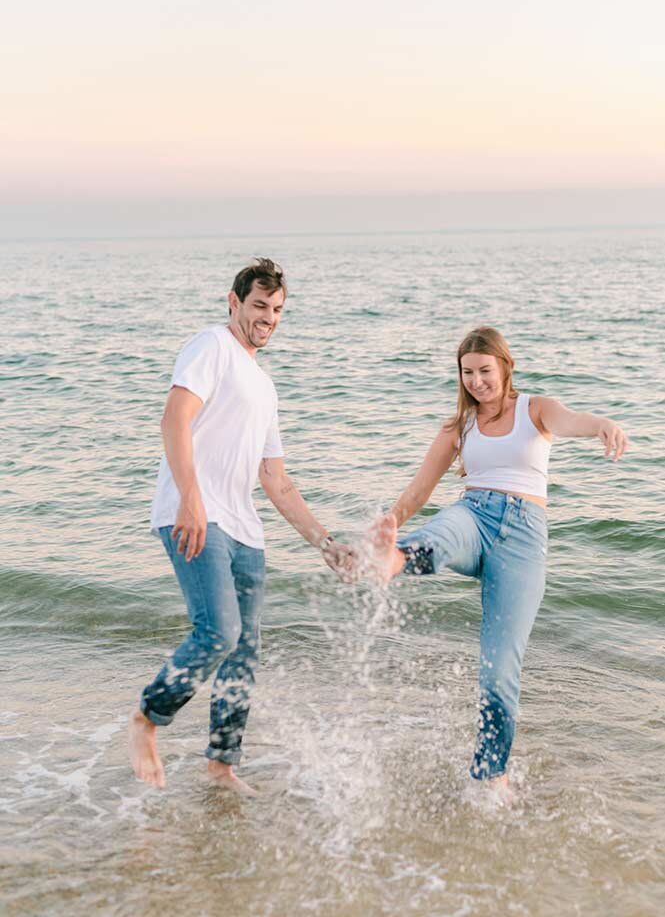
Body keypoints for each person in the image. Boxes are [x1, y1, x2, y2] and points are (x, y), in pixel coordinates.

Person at [358, 326, 627, 794]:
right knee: (442, 533)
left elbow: (569, 419)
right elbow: (422, 488)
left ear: (505, 366)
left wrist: (600, 424)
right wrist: (393, 520)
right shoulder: (458, 426)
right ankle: (395, 559)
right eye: (468, 373)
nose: (477, 381)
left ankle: (490, 776)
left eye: (485, 370)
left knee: (500, 669)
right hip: (474, 514)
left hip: (524, 538)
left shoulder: (534, 409)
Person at [128, 258, 347, 792]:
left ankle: (221, 765)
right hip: (199, 517)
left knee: (243, 653)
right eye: (258, 306)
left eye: (276, 310)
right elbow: (174, 418)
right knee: (218, 632)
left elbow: (275, 478)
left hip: (245, 530)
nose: (268, 318)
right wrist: (191, 500)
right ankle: (146, 719)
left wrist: (324, 541)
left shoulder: (264, 385)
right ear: (234, 301)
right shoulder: (212, 346)